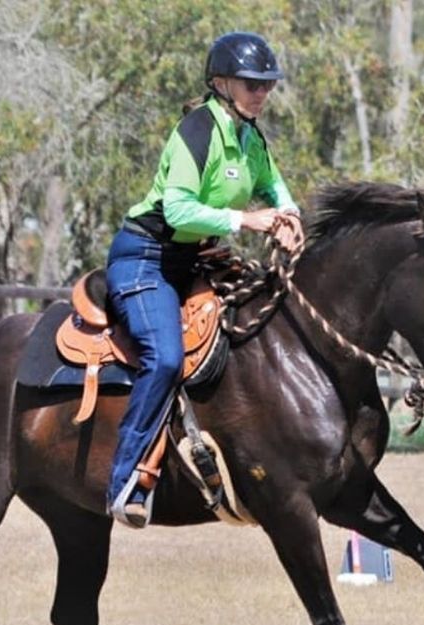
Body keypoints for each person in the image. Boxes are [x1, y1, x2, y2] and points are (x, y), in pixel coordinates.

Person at [105, 31, 304, 528]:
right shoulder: (197, 128)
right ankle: (124, 480)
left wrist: (289, 218)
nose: (261, 92)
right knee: (166, 357)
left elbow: (276, 190)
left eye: (266, 84)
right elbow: (176, 208)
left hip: (193, 260)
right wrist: (247, 221)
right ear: (220, 83)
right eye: (250, 83)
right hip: (144, 258)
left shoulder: (250, 137)